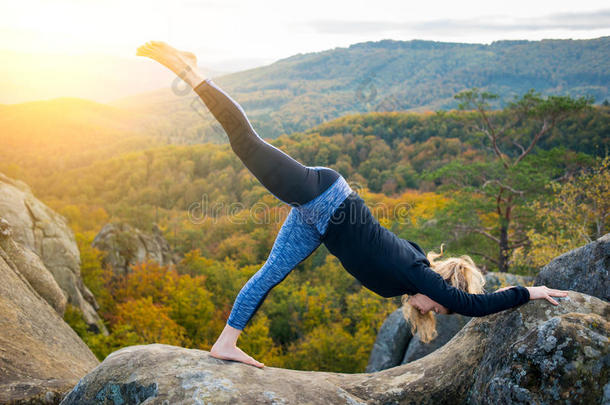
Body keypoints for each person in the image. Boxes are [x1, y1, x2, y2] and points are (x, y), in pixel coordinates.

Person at [136, 41, 569, 369]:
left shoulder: (411, 268)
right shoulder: (417, 274)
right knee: (246, 144)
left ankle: (225, 343)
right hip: (323, 195)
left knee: (270, 274)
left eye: (435, 309)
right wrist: (533, 290)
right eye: (438, 305)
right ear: (440, 289)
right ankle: (190, 72)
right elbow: (477, 306)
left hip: (318, 223)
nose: (431, 309)